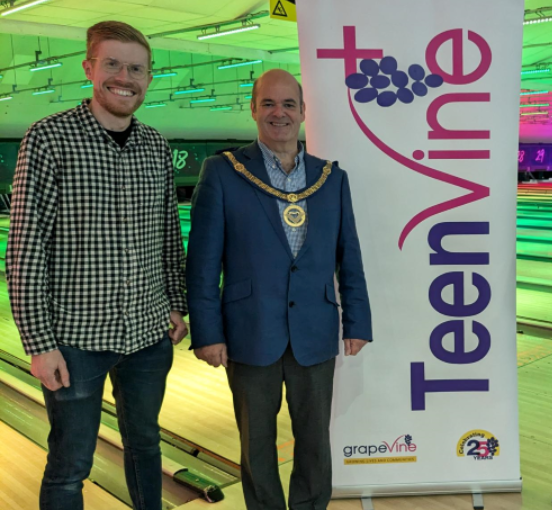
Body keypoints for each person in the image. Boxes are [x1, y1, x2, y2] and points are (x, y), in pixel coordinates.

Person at [7, 21, 188, 510]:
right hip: (75, 339)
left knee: (146, 446)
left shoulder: (155, 146)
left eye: (135, 68)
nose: (124, 77)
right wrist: (39, 344)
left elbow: (169, 236)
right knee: (70, 465)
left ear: (148, 77)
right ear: (89, 68)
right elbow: (25, 248)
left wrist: (176, 302)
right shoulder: (48, 138)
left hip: (148, 336)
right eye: (112, 64)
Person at [186, 68, 372, 510]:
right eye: (268, 103)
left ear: (304, 112)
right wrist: (208, 332)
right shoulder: (223, 172)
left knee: (314, 440)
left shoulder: (330, 178)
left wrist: (358, 321)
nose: (279, 113)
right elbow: (203, 264)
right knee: (256, 443)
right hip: (250, 331)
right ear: (253, 109)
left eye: (289, 104)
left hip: (315, 330)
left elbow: (351, 256)